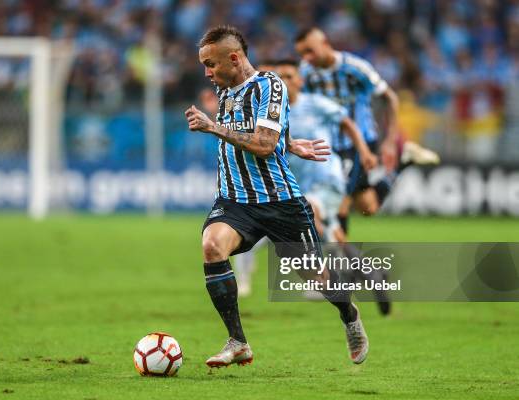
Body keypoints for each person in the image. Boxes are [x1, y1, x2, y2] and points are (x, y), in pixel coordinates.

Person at [185, 25, 369, 368]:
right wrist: (289, 141)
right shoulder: (225, 90)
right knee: (212, 246)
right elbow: (265, 135)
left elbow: (264, 145)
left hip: (279, 202)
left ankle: (349, 313)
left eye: (211, 64)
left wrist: (214, 127)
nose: (207, 73)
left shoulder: (269, 85)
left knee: (316, 276)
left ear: (235, 58)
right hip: (235, 200)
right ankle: (238, 341)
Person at [233, 60, 391, 316]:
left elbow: (347, 123)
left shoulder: (315, 104)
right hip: (293, 184)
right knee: (327, 231)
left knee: (311, 215)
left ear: (299, 80)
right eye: (278, 76)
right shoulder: (267, 111)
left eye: (289, 75)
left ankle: (321, 280)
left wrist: (363, 152)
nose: (283, 80)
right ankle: (370, 272)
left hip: (326, 179)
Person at [294, 27, 439, 234]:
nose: (306, 58)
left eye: (310, 51)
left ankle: (341, 263)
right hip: (325, 144)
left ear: (325, 43)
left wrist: (390, 140)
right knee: (368, 207)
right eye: (302, 54)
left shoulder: (355, 67)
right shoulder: (305, 73)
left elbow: (390, 98)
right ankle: (404, 161)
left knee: (338, 203)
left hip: (357, 142)